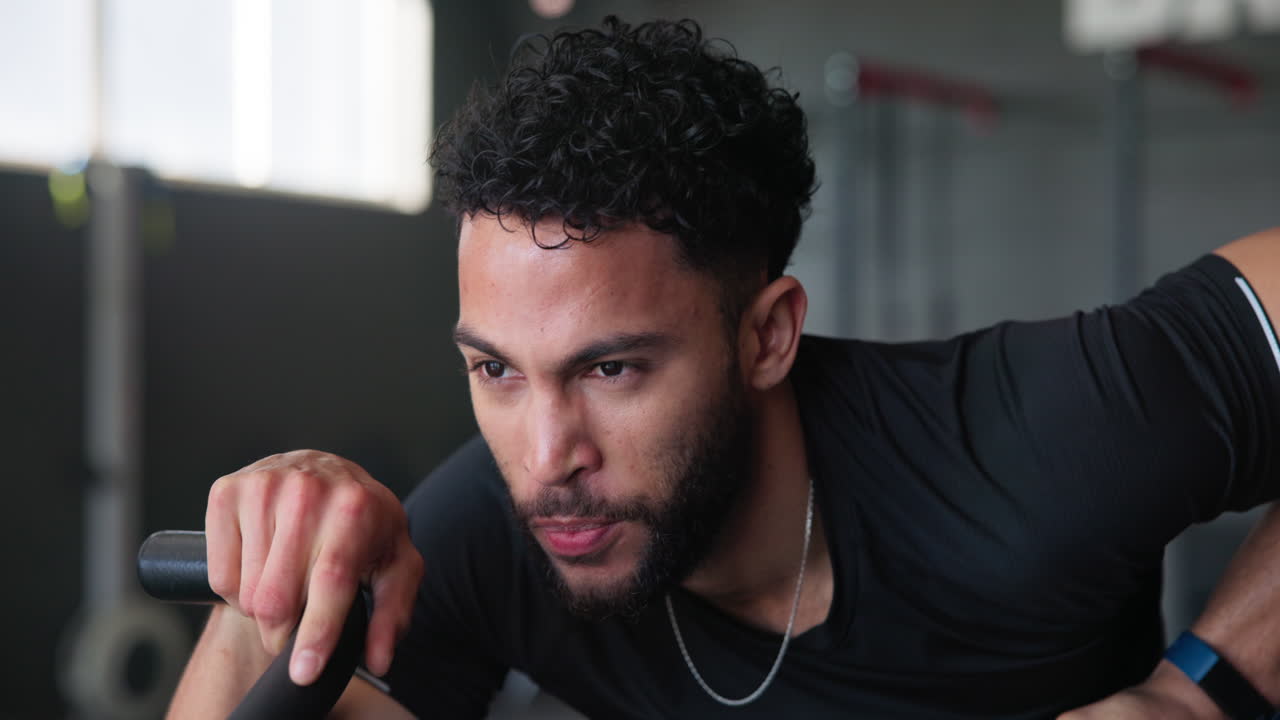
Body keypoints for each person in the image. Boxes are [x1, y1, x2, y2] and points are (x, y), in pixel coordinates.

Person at [166, 15, 1280, 719]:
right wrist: (261, 593)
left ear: (767, 337)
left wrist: (1203, 690)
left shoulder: (1031, 439)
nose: (546, 458)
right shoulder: (493, 533)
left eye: (611, 370)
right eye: (496, 372)